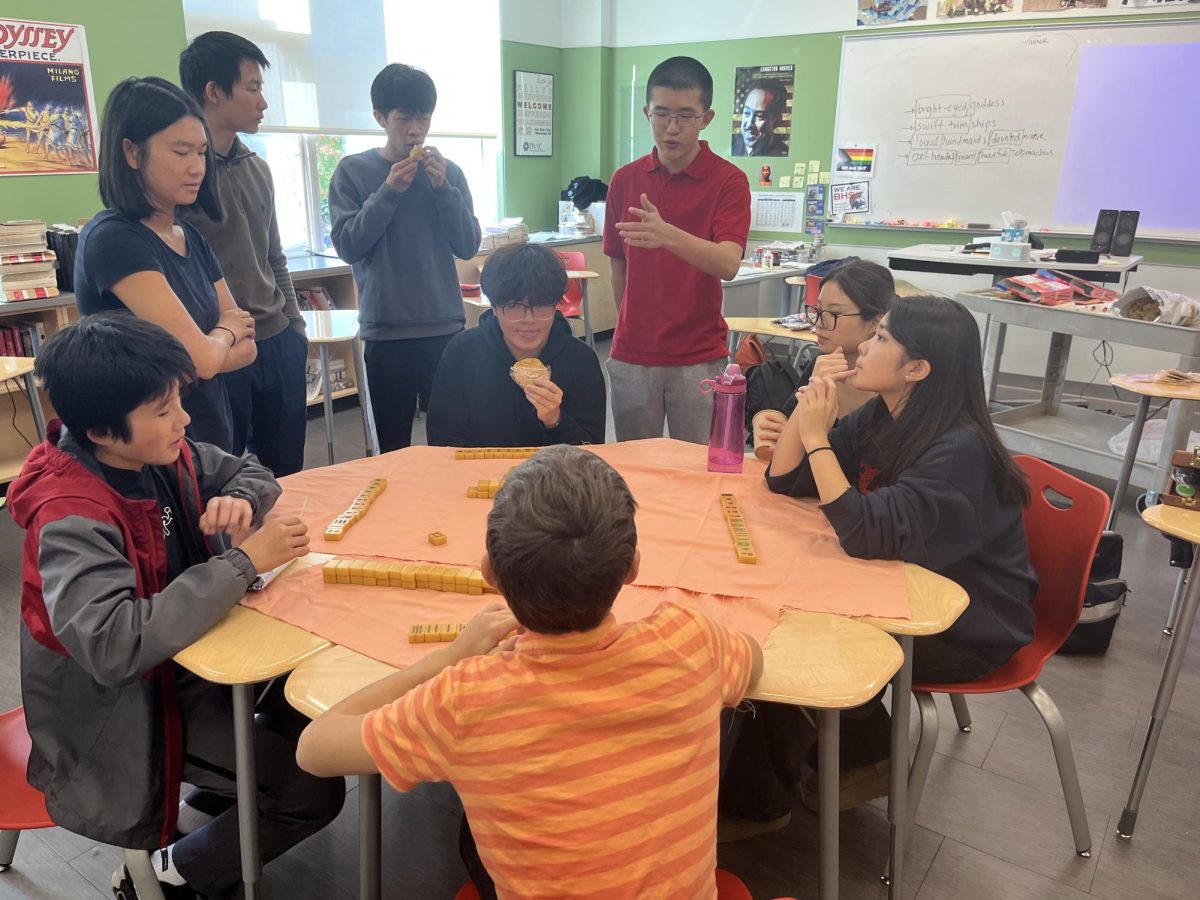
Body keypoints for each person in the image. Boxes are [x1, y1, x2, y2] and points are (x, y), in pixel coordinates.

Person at [296, 445, 763, 899]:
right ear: (632, 568)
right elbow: (754, 660)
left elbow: (313, 748)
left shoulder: (464, 699)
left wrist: (447, 658)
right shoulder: (690, 640)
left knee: (473, 834)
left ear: (489, 574)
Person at [9, 314, 344, 900]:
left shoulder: (166, 454)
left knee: (306, 696)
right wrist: (242, 564)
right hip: (122, 709)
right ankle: (170, 879)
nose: (183, 420)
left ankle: (222, 798)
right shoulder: (71, 515)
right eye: (164, 410)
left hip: (188, 662)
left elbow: (250, 469)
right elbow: (115, 645)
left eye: (178, 402)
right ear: (102, 432)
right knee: (310, 787)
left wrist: (239, 499)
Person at [721, 295, 1036, 832]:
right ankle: (848, 755)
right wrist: (806, 408)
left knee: (794, 636)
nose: (863, 346)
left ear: (917, 368)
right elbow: (788, 481)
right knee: (780, 608)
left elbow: (864, 533)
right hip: (904, 579)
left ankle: (775, 793)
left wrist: (817, 438)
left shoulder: (960, 448)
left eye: (882, 338)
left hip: (967, 623)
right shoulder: (885, 413)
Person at [73, 76, 257, 452]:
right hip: (146, 451)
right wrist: (223, 334)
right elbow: (204, 358)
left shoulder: (189, 235)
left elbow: (248, 347)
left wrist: (208, 349)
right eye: (180, 152)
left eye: (201, 152)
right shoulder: (114, 239)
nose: (197, 167)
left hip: (208, 435)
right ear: (132, 153)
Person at [329, 63, 482, 452]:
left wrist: (443, 189)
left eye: (424, 117)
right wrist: (389, 191)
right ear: (381, 117)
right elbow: (349, 245)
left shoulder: (450, 174)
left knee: (453, 440)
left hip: (444, 327)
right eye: (404, 118)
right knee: (393, 447)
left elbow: (467, 244)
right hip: (387, 331)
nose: (415, 129)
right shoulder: (353, 172)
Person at [180, 31, 309, 476]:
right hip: (220, 348)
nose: (263, 102)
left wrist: (295, 327)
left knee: (287, 469)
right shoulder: (181, 179)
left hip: (276, 339)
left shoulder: (258, 167)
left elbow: (274, 255)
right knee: (223, 473)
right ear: (214, 92)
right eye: (252, 88)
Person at [604, 56, 751, 444]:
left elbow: (728, 263)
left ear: (706, 117)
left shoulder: (729, 181)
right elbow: (618, 266)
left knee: (700, 470)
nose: (671, 128)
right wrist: (628, 326)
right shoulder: (625, 180)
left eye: (685, 115)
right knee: (635, 472)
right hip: (632, 354)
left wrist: (666, 234)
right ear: (646, 112)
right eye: (661, 114)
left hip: (699, 355)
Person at [426, 242, 606, 447]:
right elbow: (443, 440)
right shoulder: (462, 354)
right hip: (480, 475)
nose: (528, 319)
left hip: (553, 477)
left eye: (540, 305)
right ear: (494, 306)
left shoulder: (581, 360)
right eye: (513, 306)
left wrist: (555, 421)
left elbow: (593, 448)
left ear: (556, 305)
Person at [752, 259, 894, 461]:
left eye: (834, 313)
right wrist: (775, 427)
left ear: (876, 322)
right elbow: (786, 423)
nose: (818, 324)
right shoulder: (822, 364)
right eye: (817, 310)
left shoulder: (892, 385)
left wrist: (807, 438)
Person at [733, 78, 790, 157]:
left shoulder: (783, 153)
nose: (749, 124)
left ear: (777, 122)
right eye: (747, 113)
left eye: (759, 116)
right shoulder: (729, 146)